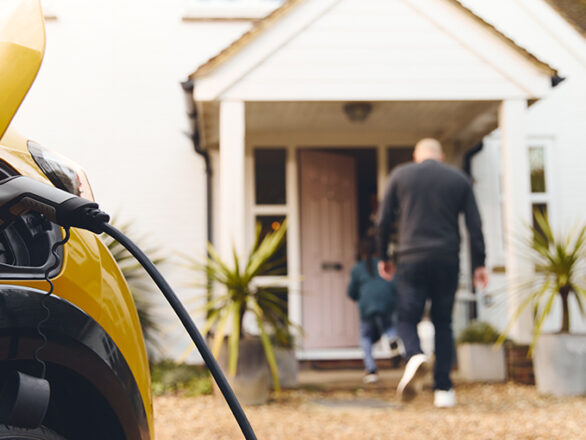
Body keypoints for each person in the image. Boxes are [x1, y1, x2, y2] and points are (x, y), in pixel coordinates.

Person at [377, 138, 488, 408]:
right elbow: (474, 224)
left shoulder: (401, 175)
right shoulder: (458, 179)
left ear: (417, 156)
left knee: (406, 317)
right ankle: (444, 390)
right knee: (443, 322)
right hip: (446, 259)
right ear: (441, 156)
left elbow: (383, 219)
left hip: (411, 258)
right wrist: (479, 263)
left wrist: (384, 256)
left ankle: (414, 355)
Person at [348, 235, 403, 384]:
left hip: (367, 307)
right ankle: (392, 339)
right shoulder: (385, 264)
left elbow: (351, 292)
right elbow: (394, 285)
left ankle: (371, 370)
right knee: (388, 326)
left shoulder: (358, 269)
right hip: (386, 303)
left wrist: (358, 297)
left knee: (365, 337)